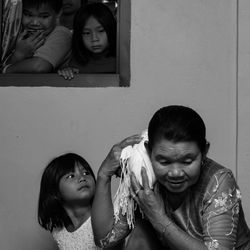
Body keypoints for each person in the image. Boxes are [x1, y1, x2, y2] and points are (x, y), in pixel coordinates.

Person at [92, 105, 250, 250]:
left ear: (204, 151)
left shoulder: (218, 181)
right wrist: (103, 175)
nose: (175, 173)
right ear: (149, 150)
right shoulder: (143, 175)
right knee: (140, 232)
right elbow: (105, 241)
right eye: (164, 161)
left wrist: (157, 218)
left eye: (187, 161)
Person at [37, 153, 99, 249]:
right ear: (55, 191)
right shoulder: (58, 231)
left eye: (86, 173)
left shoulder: (106, 217)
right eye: (71, 176)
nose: (82, 178)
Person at [1, 0, 72, 73]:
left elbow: (39, 66)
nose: (35, 23)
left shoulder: (61, 33)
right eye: (28, 15)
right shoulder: (18, 33)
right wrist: (18, 54)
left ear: (58, 13)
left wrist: (5, 70)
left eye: (44, 16)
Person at [58, 2, 116, 80]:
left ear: (111, 30)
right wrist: (67, 72)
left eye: (101, 31)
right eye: (87, 33)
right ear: (78, 36)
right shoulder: (74, 62)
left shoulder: (121, 61)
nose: (94, 39)